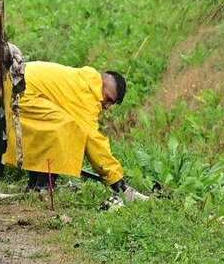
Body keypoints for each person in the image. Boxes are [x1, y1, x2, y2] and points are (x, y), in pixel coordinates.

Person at [15, 61, 144, 198]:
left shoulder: (85, 80)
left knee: (49, 131)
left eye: (112, 104)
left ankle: (36, 185)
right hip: (24, 91)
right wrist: (116, 180)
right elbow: (94, 141)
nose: (107, 106)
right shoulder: (89, 95)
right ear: (103, 84)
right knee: (67, 128)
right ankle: (43, 187)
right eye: (108, 99)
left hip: (20, 81)